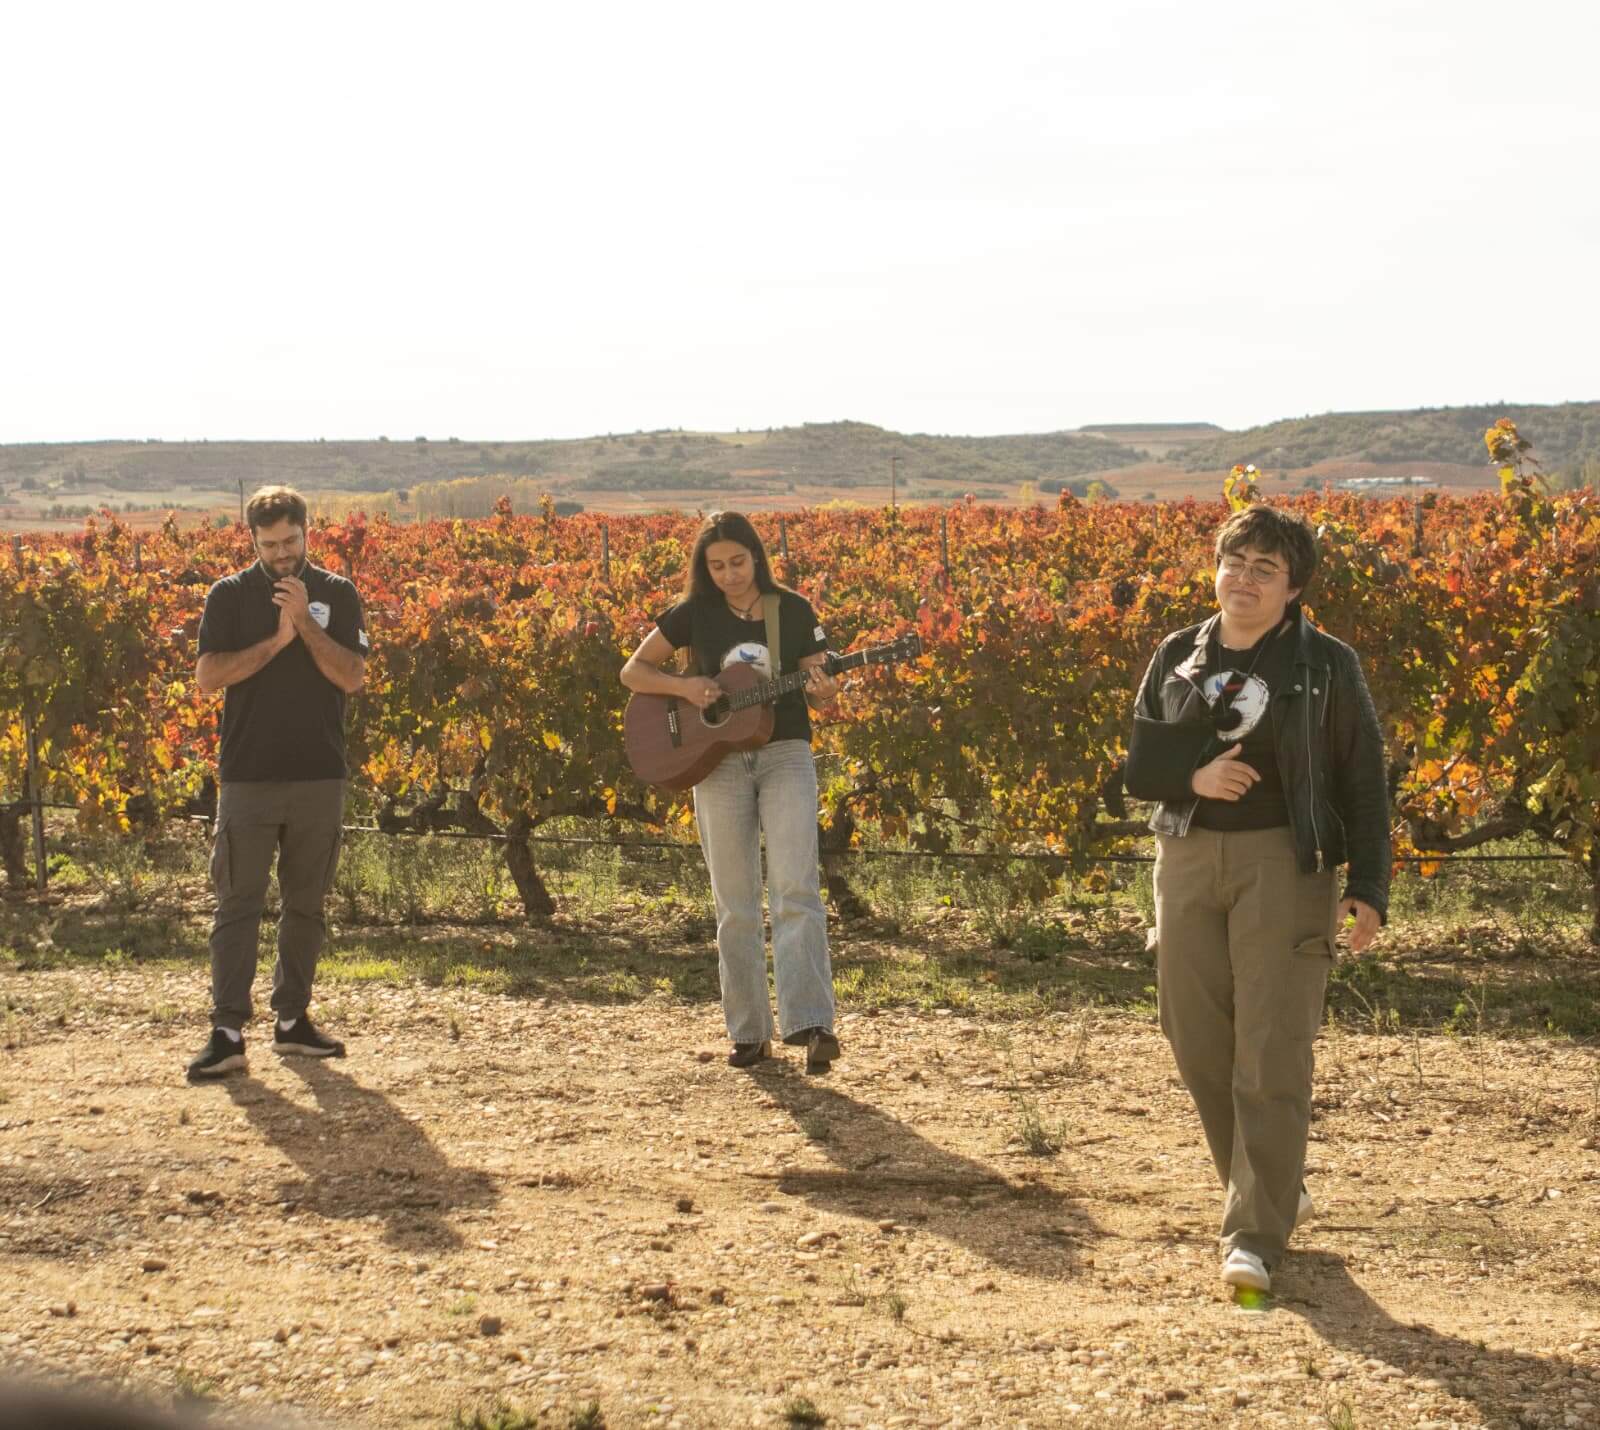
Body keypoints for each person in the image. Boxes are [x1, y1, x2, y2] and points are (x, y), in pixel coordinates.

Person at [1125, 504, 1389, 1295]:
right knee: (1192, 1029)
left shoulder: (1326, 664)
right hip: (1188, 854)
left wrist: (1369, 886)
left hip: (1286, 860)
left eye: (1264, 568)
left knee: (1273, 1044)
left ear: (1293, 586)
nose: (1244, 580)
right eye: (1235, 562)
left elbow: (1363, 778)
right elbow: (1140, 769)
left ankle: (1254, 1235)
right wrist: (1194, 778)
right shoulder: (1177, 654)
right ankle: (1272, 1182)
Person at [621, 511, 842, 1072]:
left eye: (738, 562)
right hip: (715, 761)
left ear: (757, 557)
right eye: (716, 566)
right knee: (735, 902)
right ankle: (748, 1032)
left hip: (784, 751)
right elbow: (633, 672)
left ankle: (812, 1024)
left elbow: (823, 693)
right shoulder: (694, 613)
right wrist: (685, 687)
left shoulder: (791, 610)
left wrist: (823, 690)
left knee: (796, 886)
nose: (729, 575)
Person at [186, 485, 370, 1080]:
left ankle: (292, 1022)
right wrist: (275, 641)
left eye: (291, 541)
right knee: (237, 904)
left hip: (319, 773)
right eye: (270, 544)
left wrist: (306, 625)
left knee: (306, 905)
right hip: (248, 776)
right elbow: (209, 677)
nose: (283, 553)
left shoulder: (338, 594)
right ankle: (227, 1032)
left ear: (308, 531)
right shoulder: (229, 595)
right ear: (253, 541)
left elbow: (352, 677)